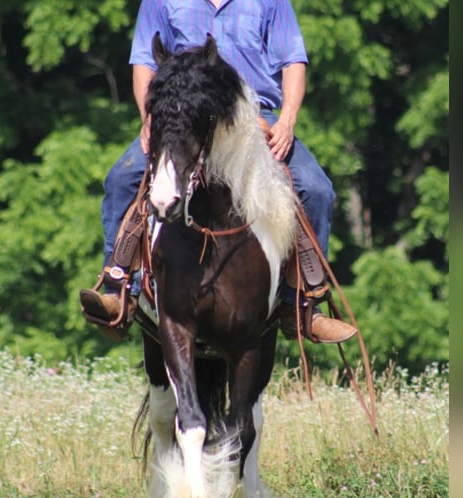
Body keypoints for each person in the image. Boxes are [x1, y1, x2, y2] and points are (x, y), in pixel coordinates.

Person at [80, 0, 356, 344]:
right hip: (185, 118)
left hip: (257, 117)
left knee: (316, 189)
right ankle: (118, 289)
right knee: (122, 178)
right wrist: (149, 118)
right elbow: (144, 63)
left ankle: (302, 303)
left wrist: (287, 120)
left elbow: (292, 61)